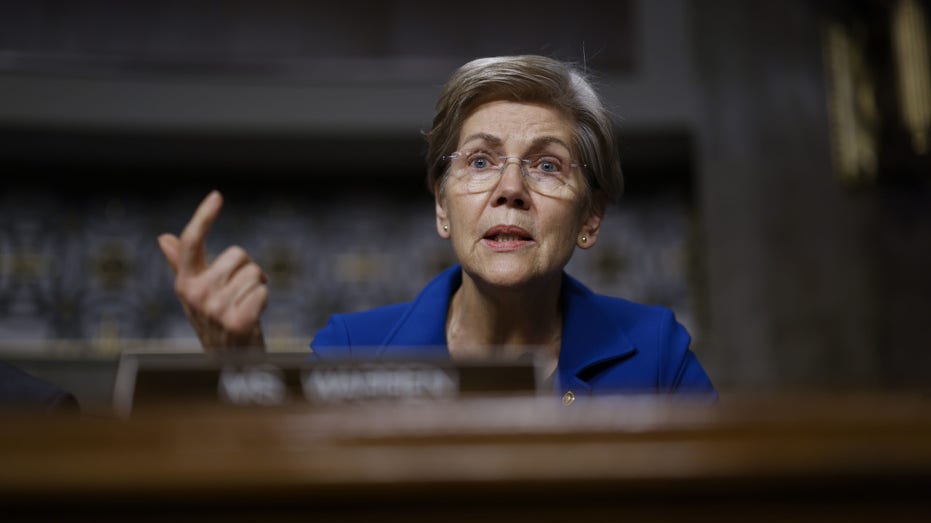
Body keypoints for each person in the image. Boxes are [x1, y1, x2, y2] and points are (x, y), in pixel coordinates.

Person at [157, 55, 716, 399]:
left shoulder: (656, 353)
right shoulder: (352, 350)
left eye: (547, 165)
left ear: (590, 216)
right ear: (443, 209)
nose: (511, 188)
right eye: (479, 161)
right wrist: (244, 371)